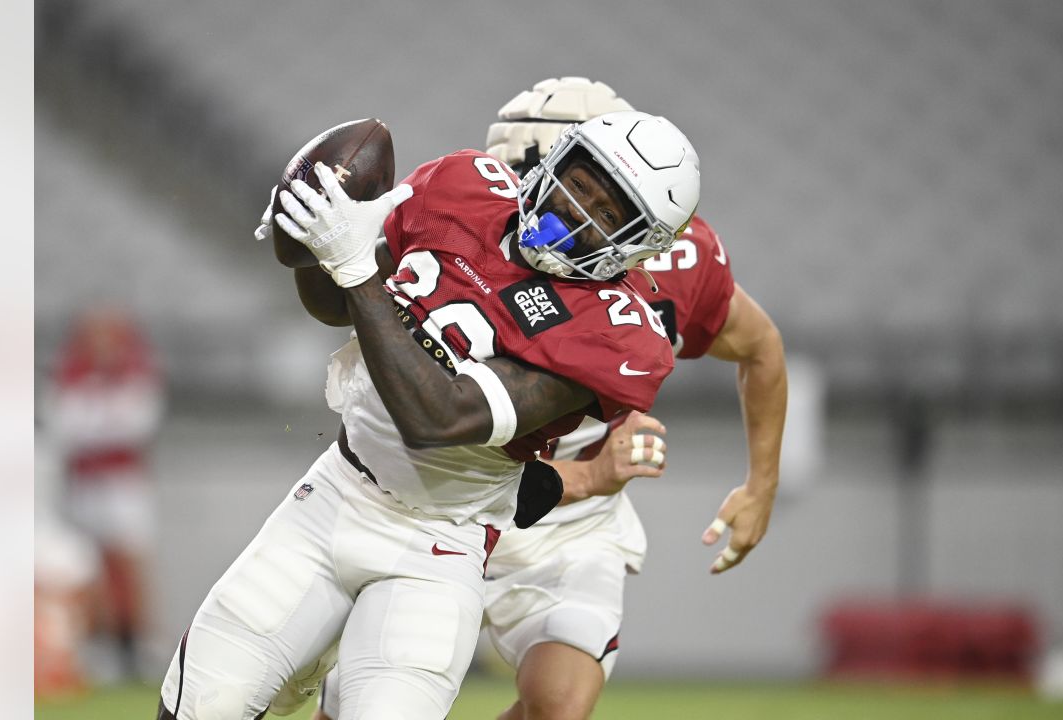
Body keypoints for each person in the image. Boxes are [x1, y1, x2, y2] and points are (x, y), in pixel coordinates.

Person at [156, 109, 701, 720]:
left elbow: (439, 418)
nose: (578, 211)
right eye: (582, 183)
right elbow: (338, 307)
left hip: (436, 546)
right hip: (335, 493)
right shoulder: (464, 185)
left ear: (640, 244)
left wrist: (354, 264)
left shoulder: (615, 334)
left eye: (609, 213)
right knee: (201, 706)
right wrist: (313, 236)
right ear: (557, 161)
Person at [311, 76, 788, 720]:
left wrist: (762, 483)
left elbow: (761, 348)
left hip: (565, 528)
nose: (550, 209)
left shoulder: (682, 261)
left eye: (598, 197)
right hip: (436, 499)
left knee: (559, 707)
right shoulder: (469, 214)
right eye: (540, 175)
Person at [42, 307, 165, 680]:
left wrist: (95, 422)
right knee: (91, 566)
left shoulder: (135, 371)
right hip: (84, 483)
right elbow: (65, 427)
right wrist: (100, 421)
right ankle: (99, 645)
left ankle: (137, 643)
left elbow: (137, 424)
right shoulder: (70, 373)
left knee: (129, 560)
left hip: (122, 482)